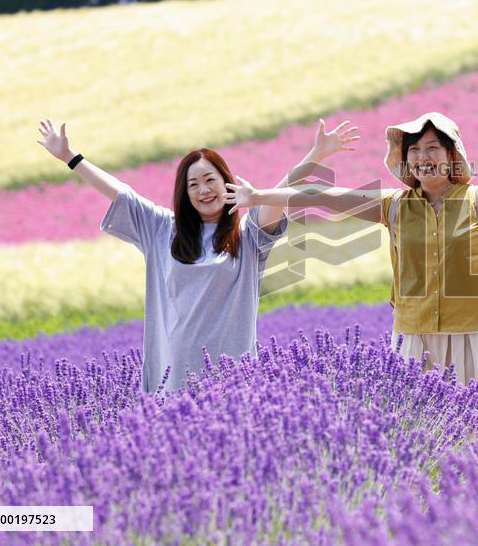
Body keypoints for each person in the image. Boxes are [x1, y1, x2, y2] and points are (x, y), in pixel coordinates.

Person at [223, 113, 478, 399]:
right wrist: (258, 196)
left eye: (432, 148)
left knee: (477, 428)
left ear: (452, 155)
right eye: (415, 151)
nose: (423, 158)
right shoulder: (394, 205)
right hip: (413, 336)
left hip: (472, 335)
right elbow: (324, 198)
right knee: (419, 429)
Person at [36, 118, 358, 392]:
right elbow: (122, 193)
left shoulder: (246, 236)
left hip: (233, 379)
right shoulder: (163, 229)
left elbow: (274, 201)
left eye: (210, 180)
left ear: (227, 183)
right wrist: (70, 157)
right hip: (173, 374)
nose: (203, 190)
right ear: (185, 193)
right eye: (193, 184)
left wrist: (315, 155)